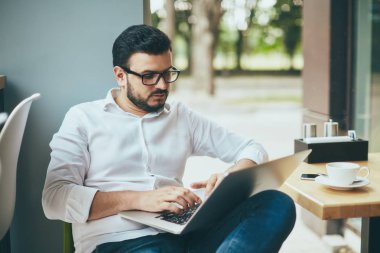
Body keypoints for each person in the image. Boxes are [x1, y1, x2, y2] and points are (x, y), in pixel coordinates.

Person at [42, 24, 296, 253]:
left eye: (167, 73)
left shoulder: (181, 117)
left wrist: (231, 175)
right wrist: (141, 199)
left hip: (186, 233)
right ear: (120, 75)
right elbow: (54, 198)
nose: (162, 85)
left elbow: (252, 148)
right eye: (149, 76)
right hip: (120, 242)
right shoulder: (83, 118)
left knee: (276, 203)